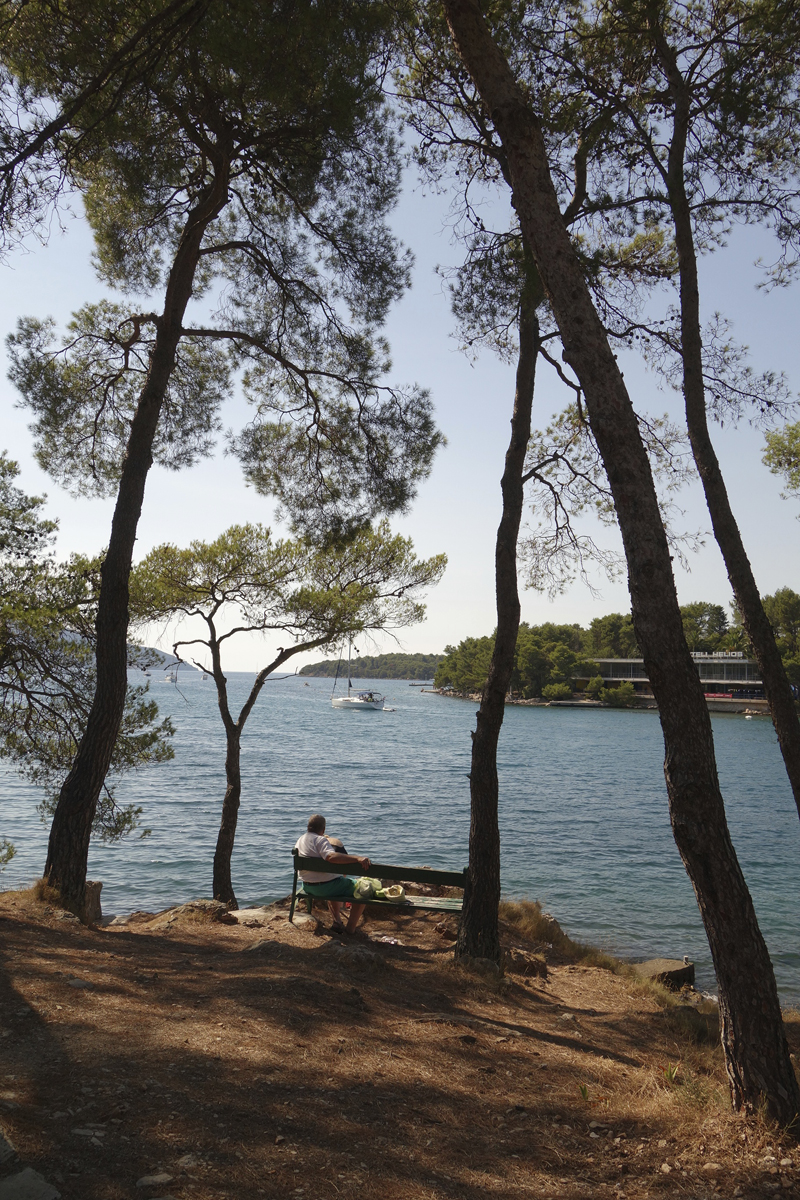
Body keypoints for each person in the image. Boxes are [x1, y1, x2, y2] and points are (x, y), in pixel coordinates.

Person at [294, 814, 371, 934]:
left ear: (308, 827)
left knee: (334, 879)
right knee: (362, 889)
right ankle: (350, 930)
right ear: (323, 829)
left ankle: (337, 922)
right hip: (326, 888)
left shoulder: (300, 840)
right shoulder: (320, 840)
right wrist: (357, 858)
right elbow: (330, 856)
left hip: (308, 887)